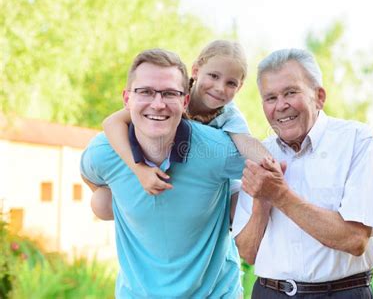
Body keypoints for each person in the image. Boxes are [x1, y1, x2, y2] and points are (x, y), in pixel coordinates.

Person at [80, 48, 247, 298]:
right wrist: (129, 190)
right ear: (127, 99)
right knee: (100, 202)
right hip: (137, 293)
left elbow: (269, 171)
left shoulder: (218, 149)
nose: (157, 104)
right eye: (145, 92)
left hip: (215, 292)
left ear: (185, 100)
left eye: (169, 93)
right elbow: (89, 174)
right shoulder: (104, 151)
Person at [233, 49, 373, 298]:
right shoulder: (260, 154)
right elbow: (247, 252)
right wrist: (262, 200)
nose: (281, 105)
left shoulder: (357, 140)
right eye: (270, 98)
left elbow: (355, 240)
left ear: (319, 96)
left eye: (290, 93)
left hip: (342, 293)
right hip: (270, 293)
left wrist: (279, 195)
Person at [90, 40, 270, 220]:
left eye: (231, 83)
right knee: (101, 203)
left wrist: (271, 162)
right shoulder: (172, 95)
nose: (219, 88)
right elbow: (112, 122)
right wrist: (139, 169)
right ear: (196, 70)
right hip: (163, 166)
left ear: (240, 87)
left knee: (245, 204)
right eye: (214, 76)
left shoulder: (229, 115)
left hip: (209, 180)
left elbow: (245, 141)